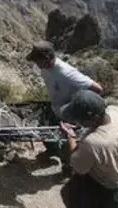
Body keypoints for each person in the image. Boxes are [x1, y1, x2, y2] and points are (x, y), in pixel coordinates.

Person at [59, 90, 118, 208]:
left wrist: (71, 137)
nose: (78, 122)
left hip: (104, 185)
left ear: (94, 118)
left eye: (81, 120)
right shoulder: (116, 111)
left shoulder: (92, 142)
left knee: (73, 200)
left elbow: (79, 168)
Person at [26, 40, 104, 168]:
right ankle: (52, 151)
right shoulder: (45, 68)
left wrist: (79, 106)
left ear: (46, 59)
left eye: (37, 60)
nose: (35, 63)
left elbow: (97, 88)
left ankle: (69, 167)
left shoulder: (66, 72)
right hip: (57, 107)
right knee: (47, 130)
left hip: (69, 113)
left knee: (67, 141)